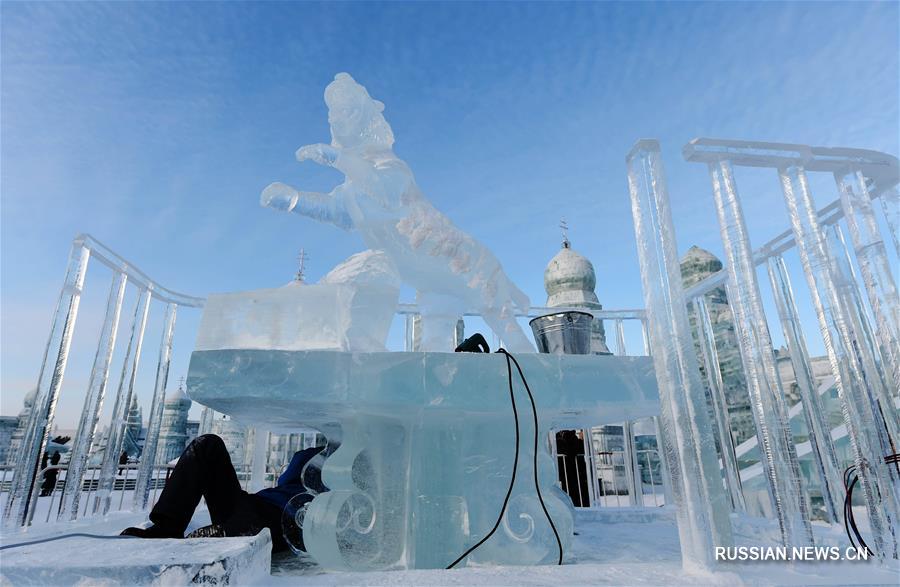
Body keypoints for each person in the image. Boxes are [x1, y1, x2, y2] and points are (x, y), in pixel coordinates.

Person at [121, 434, 325, 552]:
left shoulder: (353, 469)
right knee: (207, 444)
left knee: (265, 524)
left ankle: (234, 534)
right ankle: (167, 526)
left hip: (292, 521)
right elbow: (288, 477)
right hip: (256, 505)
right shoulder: (314, 456)